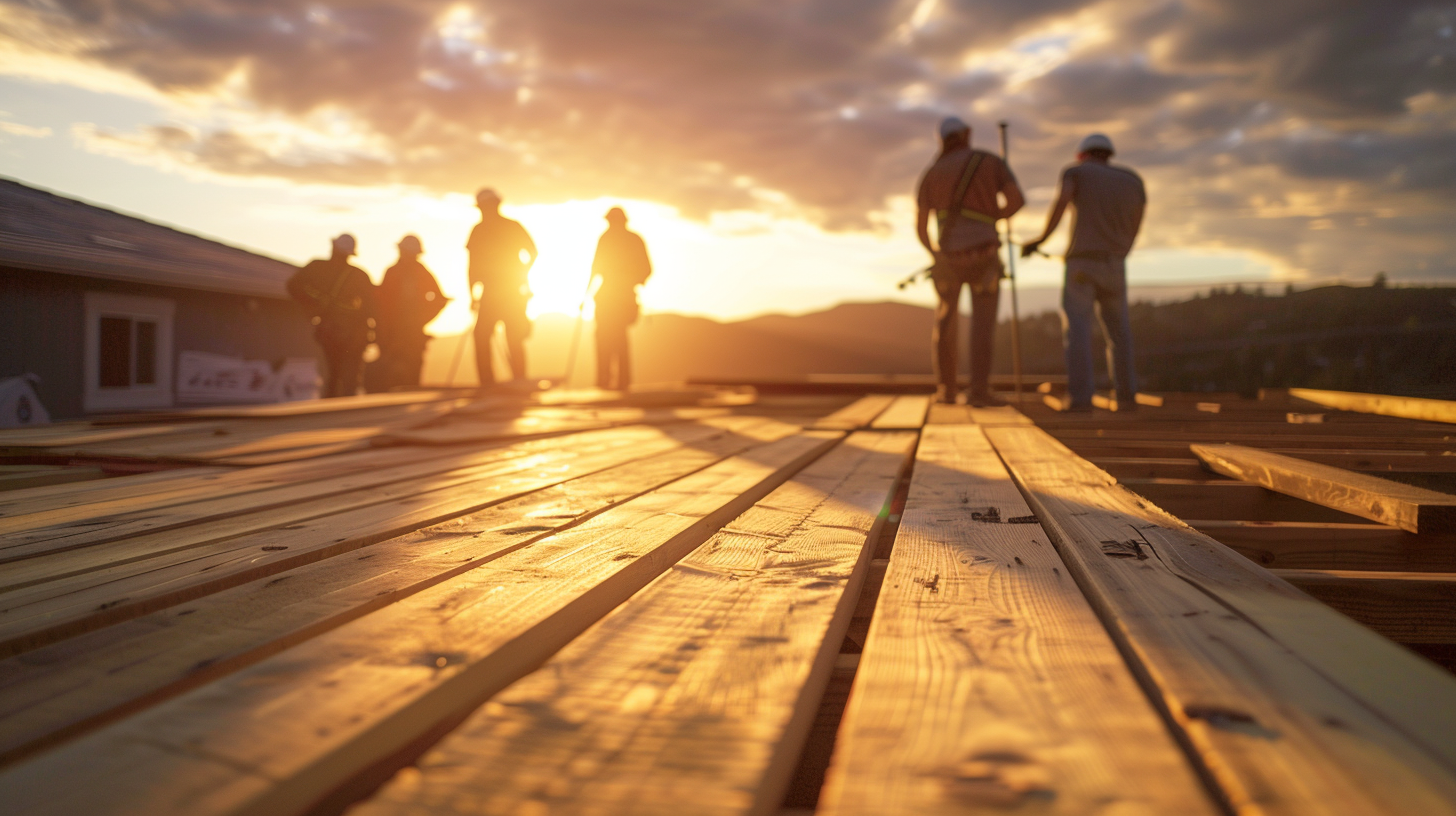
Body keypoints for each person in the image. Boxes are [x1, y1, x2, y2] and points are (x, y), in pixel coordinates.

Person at [1022, 133, 1146, 412]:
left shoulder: (1076, 172)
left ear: (1082, 155)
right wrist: (1125, 247)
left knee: (1077, 330)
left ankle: (1080, 400)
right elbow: (1138, 216)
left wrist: (1039, 241)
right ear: (1108, 154)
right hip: (1115, 264)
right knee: (1119, 333)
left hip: (1082, 264)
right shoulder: (1132, 180)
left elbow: (1062, 202)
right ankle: (1126, 398)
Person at [916, 116, 1025, 405]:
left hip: (948, 261)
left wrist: (935, 254)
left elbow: (920, 228)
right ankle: (979, 392)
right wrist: (992, 218)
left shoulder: (932, 173)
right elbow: (1016, 201)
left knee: (946, 323)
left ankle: (946, 391)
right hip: (984, 256)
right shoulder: (990, 162)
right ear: (967, 134)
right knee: (982, 325)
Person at [287, 234, 377, 398]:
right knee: (348, 380)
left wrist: (312, 305)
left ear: (333, 247)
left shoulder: (316, 268)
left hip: (329, 332)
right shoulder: (359, 275)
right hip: (351, 336)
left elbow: (293, 286)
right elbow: (372, 308)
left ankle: (330, 410)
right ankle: (346, 415)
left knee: (332, 375)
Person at [466, 188, 537, 386]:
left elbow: (471, 267)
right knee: (509, 337)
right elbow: (533, 252)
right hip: (511, 291)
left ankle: (492, 382)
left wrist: (472, 295)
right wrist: (522, 272)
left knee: (488, 337)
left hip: (503, 292)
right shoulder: (509, 227)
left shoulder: (480, 230)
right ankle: (516, 379)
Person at [589, 207, 652, 390]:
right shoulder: (629, 239)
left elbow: (595, 268)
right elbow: (596, 267)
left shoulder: (609, 238)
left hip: (616, 296)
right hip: (613, 295)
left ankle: (611, 381)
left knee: (611, 337)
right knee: (610, 337)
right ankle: (611, 380)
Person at [374, 235, 446, 390]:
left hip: (411, 333)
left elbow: (439, 299)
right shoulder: (393, 272)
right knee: (395, 371)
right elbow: (382, 304)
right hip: (394, 333)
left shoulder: (417, 271)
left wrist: (422, 318)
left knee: (412, 370)